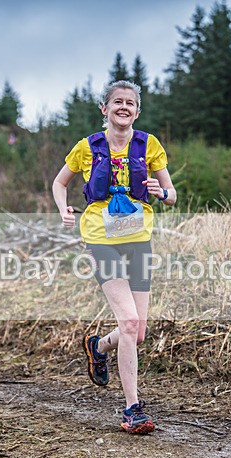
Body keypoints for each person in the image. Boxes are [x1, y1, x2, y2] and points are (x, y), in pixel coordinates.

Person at [51, 80, 177, 434]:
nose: (124, 107)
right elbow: (60, 183)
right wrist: (63, 209)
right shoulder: (87, 147)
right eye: (117, 102)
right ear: (104, 109)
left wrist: (161, 190)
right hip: (100, 238)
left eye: (130, 103)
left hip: (139, 238)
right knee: (130, 322)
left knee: (136, 334)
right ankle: (132, 409)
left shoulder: (149, 145)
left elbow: (172, 196)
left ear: (138, 110)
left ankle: (98, 346)